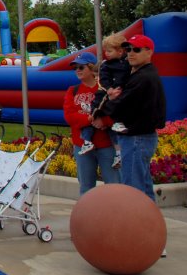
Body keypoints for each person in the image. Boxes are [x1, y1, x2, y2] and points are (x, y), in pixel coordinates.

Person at [104, 34, 166, 203]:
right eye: (128, 49)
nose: (131, 53)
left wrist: (104, 107)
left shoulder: (143, 77)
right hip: (140, 135)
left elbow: (121, 105)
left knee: (132, 188)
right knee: (143, 187)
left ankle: (135, 226)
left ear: (149, 52)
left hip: (136, 137)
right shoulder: (142, 75)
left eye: (136, 50)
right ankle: (149, 225)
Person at [63, 53, 120, 194]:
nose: (78, 70)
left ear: (91, 68)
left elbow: (116, 113)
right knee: (86, 187)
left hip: (106, 145)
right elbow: (69, 116)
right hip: (82, 145)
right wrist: (90, 119)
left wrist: (104, 121)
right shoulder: (73, 90)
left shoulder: (105, 89)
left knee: (113, 185)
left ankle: (115, 214)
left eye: (81, 67)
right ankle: (86, 215)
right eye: (75, 68)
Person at [92, 32, 129, 169]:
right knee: (103, 103)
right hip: (110, 91)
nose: (106, 53)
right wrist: (109, 89)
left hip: (122, 90)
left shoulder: (127, 63)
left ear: (120, 51)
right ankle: (98, 118)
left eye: (109, 51)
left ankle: (120, 150)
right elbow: (104, 79)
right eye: (106, 50)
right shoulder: (106, 65)